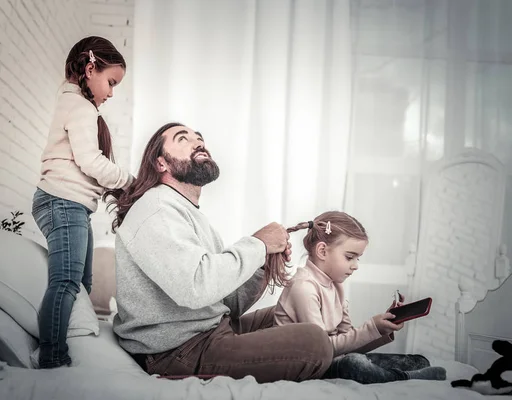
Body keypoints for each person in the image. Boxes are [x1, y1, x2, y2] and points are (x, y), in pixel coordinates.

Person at [103, 122, 332, 383]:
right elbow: (196, 286)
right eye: (183, 139)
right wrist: (257, 244)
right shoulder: (156, 210)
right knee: (314, 343)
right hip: (177, 351)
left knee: (296, 313)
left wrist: (262, 264)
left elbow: (227, 304)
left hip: (209, 330)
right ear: (160, 163)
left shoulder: (188, 214)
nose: (198, 142)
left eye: (199, 138)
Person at [32, 36, 133, 368]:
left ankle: (75, 343)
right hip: (62, 201)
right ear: (91, 69)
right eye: (111, 82)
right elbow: (90, 162)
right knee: (65, 282)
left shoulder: (73, 104)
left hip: (70, 205)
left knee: (82, 282)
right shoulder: (80, 107)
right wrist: (129, 181)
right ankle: (52, 357)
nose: (112, 92)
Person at [273, 211, 446, 383]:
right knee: (354, 363)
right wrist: (371, 327)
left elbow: (349, 343)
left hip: (330, 358)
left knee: (418, 361)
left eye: (358, 258)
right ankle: (403, 378)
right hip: (307, 368)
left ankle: (396, 373)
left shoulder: (336, 286)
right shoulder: (303, 288)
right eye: (349, 257)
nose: (355, 266)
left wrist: (382, 330)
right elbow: (322, 350)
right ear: (323, 251)